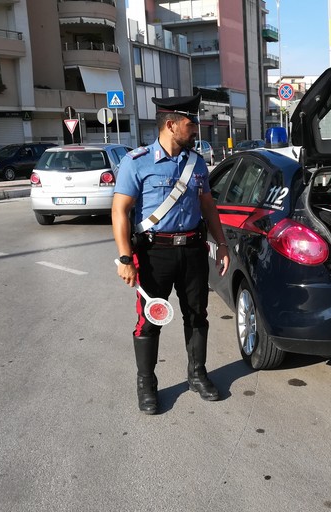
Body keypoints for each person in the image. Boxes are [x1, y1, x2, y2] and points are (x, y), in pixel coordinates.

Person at [112, 93, 230, 415]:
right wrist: (125, 258)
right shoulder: (136, 162)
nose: (196, 130)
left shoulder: (196, 162)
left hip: (192, 251)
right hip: (154, 254)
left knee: (197, 315)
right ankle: (147, 383)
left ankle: (197, 374)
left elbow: (208, 205)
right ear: (171, 124)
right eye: (191, 124)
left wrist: (220, 243)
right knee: (150, 321)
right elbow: (120, 211)